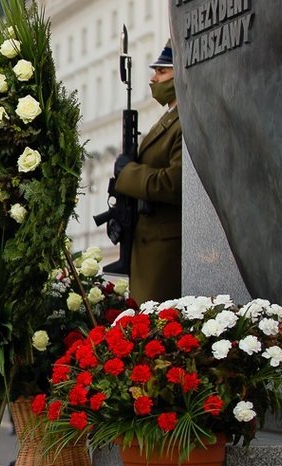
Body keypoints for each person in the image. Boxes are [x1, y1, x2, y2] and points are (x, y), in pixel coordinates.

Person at [113, 40, 182, 304]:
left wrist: (127, 173)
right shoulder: (167, 119)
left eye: (162, 72)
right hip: (148, 245)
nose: (153, 79)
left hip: (165, 251)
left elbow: (173, 183)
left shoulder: (184, 122)